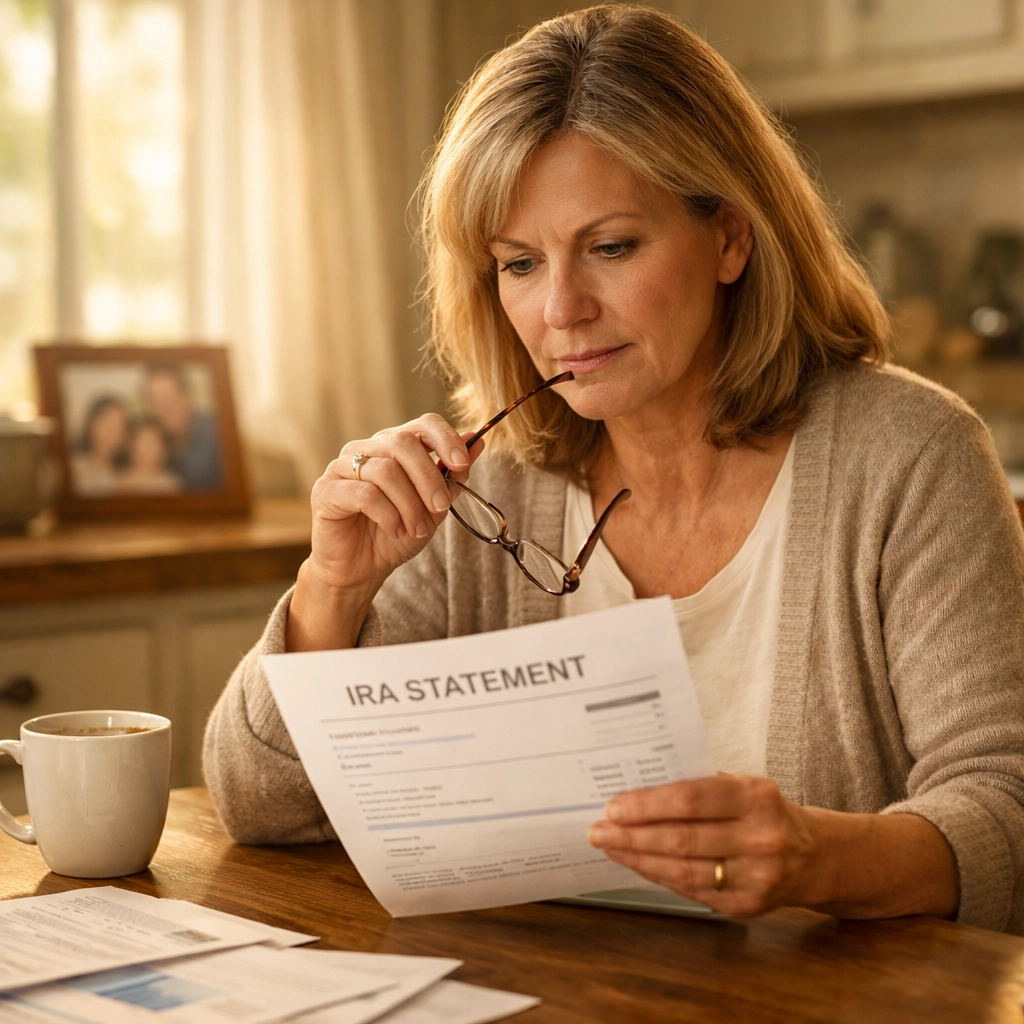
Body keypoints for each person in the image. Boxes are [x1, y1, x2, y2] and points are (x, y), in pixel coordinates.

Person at [203, 6, 1024, 933]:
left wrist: (814, 858)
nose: (561, 309)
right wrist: (331, 591)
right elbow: (261, 805)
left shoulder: (910, 457)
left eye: (611, 247)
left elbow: (1007, 813)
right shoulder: (485, 487)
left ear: (729, 239)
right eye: (519, 263)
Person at [143, 364, 223, 491]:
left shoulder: (218, 433)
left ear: (187, 396)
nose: (163, 408)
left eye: (167, 397)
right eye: (154, 400)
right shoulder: (160, 442)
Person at [71, 395, 130, 496]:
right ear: (91, 426)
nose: (115, 433)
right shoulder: (75, 469)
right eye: (109, 426)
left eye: (120, 426)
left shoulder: (127, 473)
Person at [117, 418, 182, 494]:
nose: (149, 448)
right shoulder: (123, 482)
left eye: (155, 442)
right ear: (132, 447)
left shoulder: (172, 483)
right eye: (144, 442)